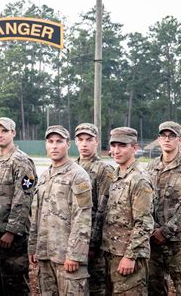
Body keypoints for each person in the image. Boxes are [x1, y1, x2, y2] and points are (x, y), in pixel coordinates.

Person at [28, 125, 92, 295]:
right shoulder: (44, 176)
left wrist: (75, 255)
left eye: (59, 141)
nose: (54, 146)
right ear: (46, 145)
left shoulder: (78, 175)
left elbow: (83, 217)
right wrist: (33, 247)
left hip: (66, 257)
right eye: (50, 142)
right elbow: (36, 214)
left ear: (68, 144)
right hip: (45, 254)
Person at [146, 121, 181, 295]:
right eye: (163, 135)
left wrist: (166, 231)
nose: (167, 139)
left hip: (180, 241)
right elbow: (145, 202)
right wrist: (155, 229)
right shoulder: (151, 167)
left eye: (171, 136)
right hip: (153, 241)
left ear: (179, 139)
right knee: (153, 288)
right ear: (158, 139)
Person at [101, 127, 154, 295]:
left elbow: (144, 223)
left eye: (122, 146)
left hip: (128, 258)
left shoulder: (139, 179)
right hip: (111, 253)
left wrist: (130, 257)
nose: (116, 150)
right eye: (113, 145)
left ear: (134, 148)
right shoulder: (115, 176)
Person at [0, 117, 37, 296]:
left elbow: (24, 197)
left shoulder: (21, 161)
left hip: (13, 237)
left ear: (13, 133)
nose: (0, 135)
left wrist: (12, 231)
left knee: (15, 284)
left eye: (5, 131)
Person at [74, 123, 114, 295]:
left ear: (96, 142)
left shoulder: (103, 170)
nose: (84, 144)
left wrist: (93, 244)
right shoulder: (71, 167)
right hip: (73, 241)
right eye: (80, 139)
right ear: (75, 142)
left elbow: (103, 210)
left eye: (89, 140)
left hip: (92, 244)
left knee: (96, 287)